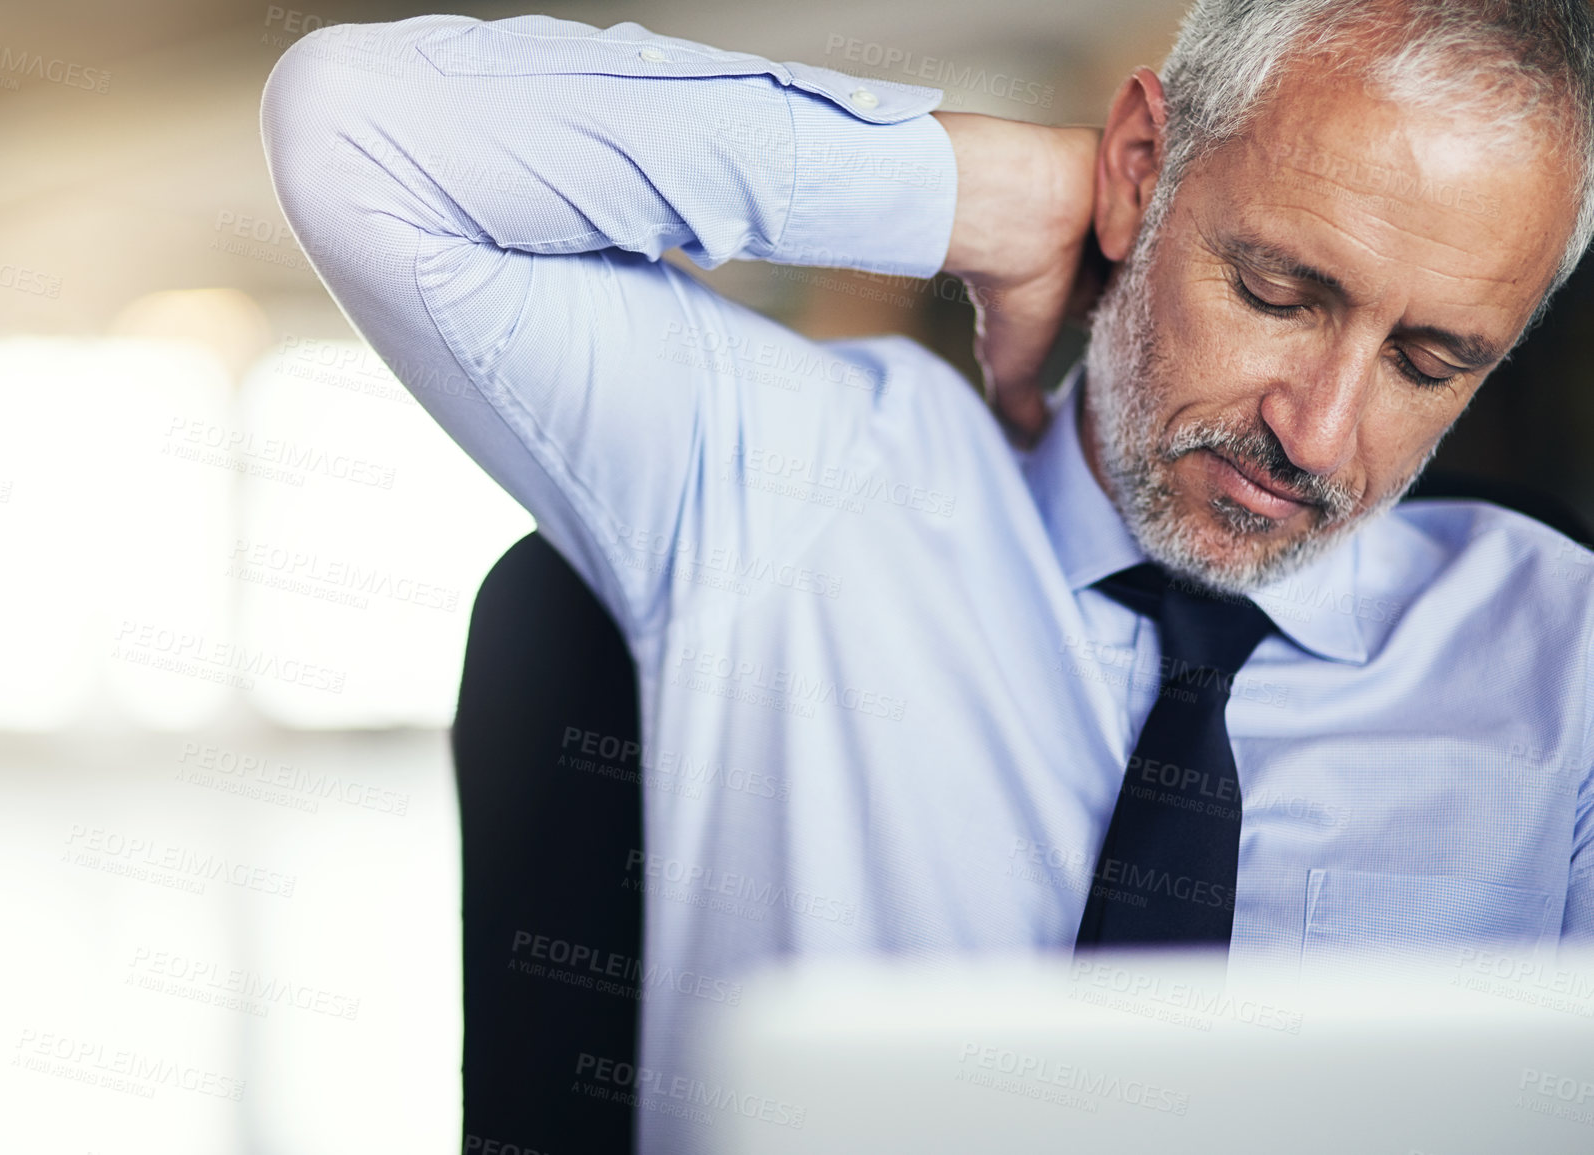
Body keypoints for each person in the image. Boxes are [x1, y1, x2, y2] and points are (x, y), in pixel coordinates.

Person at [261, 2, 1594, 1150]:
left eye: (1431, 363)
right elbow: (357, 128)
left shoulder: (1565, 672)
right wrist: (968, 192)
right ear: (1145, 170)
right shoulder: (793, 485)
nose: (1317, 431)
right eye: (1279, 294)